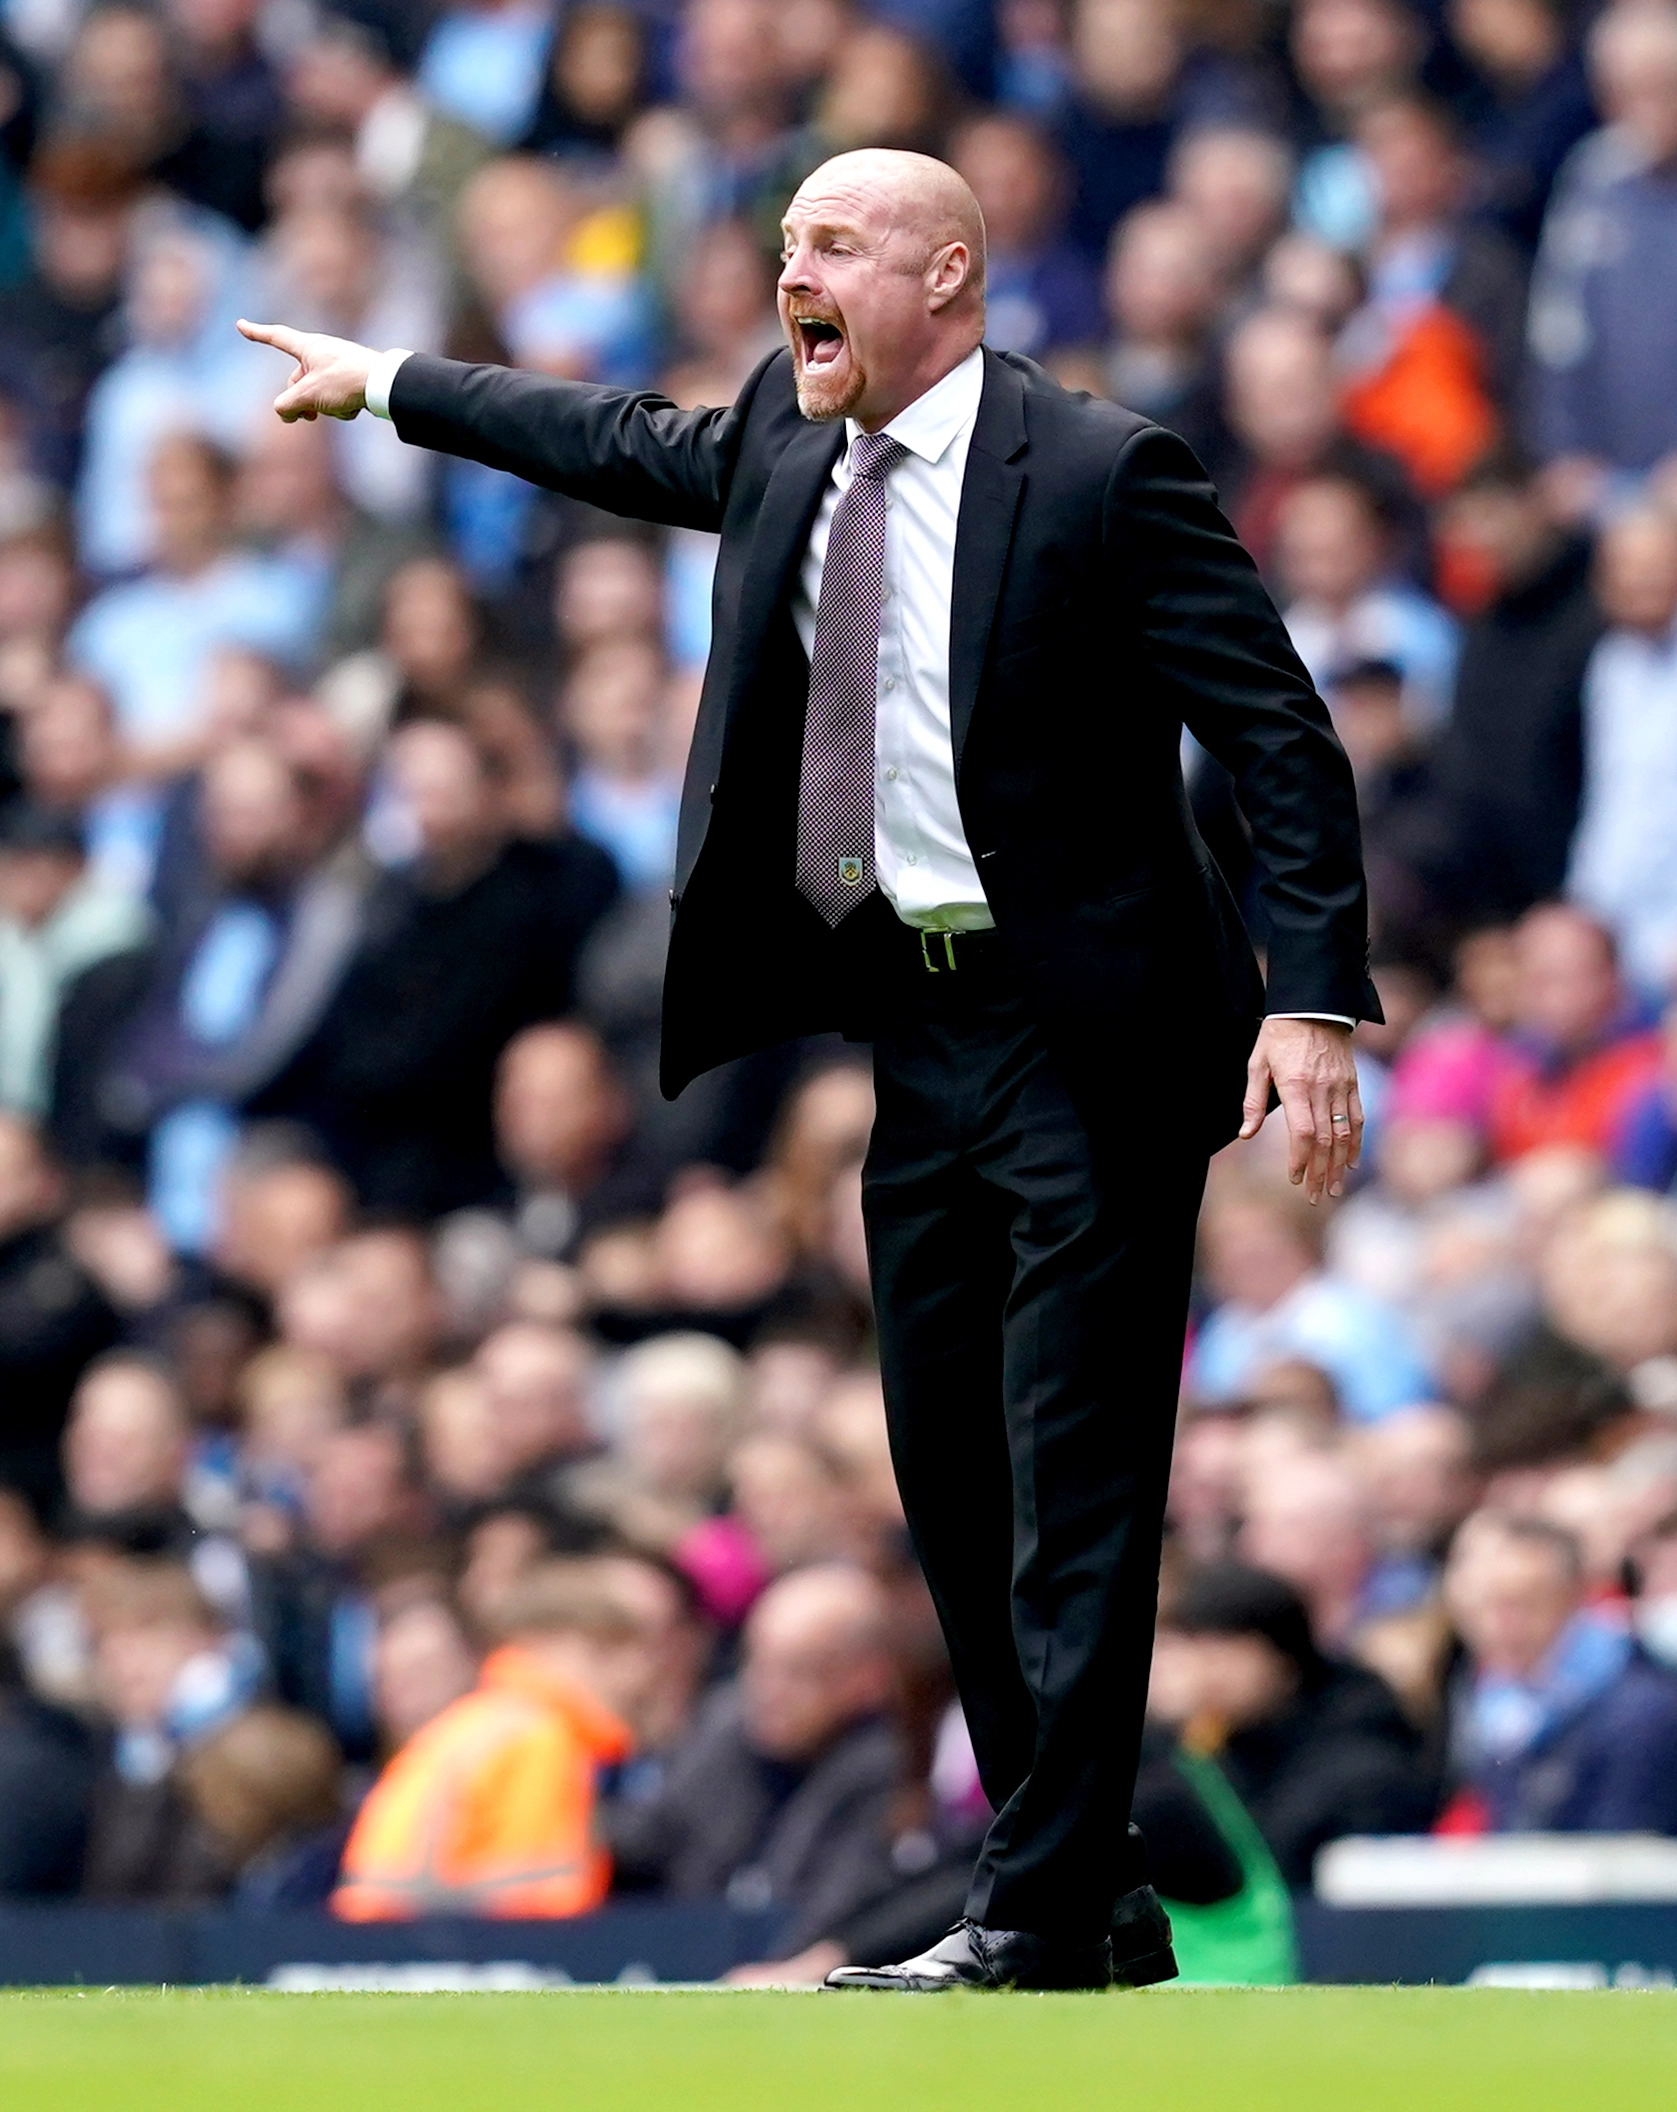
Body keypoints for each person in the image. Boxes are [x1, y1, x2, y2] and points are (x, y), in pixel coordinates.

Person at [239, 142, 1377, 1995]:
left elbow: (1279, 737)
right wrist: (387, 382)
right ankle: (1085, 1894)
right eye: (785, 243)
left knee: (1070, 1471)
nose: (794, 275)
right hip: (915, 1029)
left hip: (1090, 1034)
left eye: (835, 244)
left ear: (948, 276)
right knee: (946, 1474)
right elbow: (620, 440)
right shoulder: (787, 427)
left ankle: (1033, 1910)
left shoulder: (1102, 470)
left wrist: (1309, 1002)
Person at [332, 1557, 655, 1919]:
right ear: (549, 1643)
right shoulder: (534, 1740)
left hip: (403, 1942)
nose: (635, 1673)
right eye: (607, 1650)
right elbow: (535, 1908)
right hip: (455, 1945)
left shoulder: (479, 1726)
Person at [608, 1564, 902, 1955]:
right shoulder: (727, 1729)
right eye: (757, 1664)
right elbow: (647, 1839)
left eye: (798, 1671)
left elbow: (835, 1913)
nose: (768, 1691)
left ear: (867, 1677)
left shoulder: (885, 1764)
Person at [1441, 1510, 1677, 1833]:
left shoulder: (1643, 1712)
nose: (1501, 1625)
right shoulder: (1487, 1697)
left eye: (1524, 1603)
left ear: (1575, 1595)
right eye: (1484, 1605)